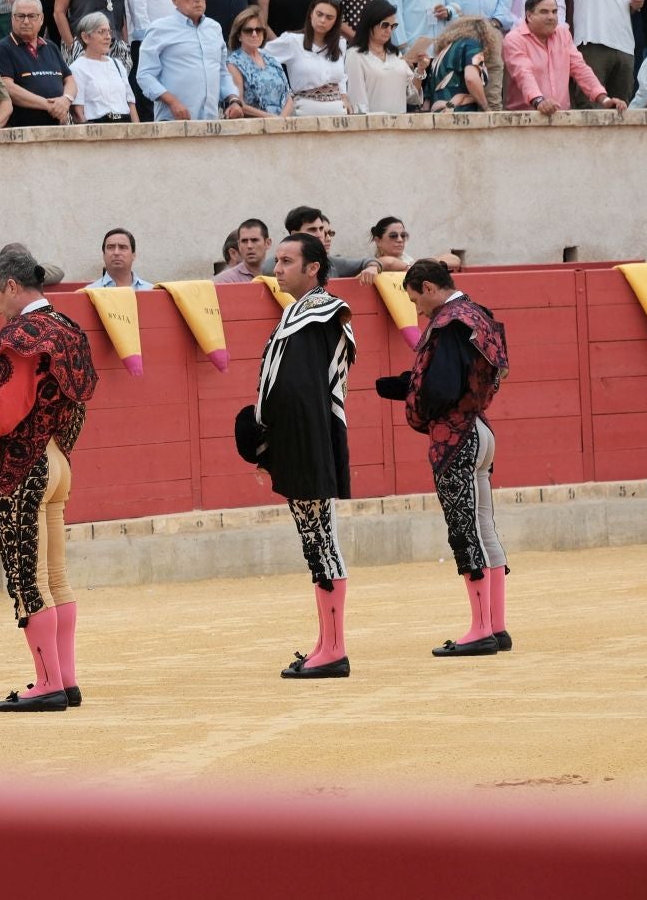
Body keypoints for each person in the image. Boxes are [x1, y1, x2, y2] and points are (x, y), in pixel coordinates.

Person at [0, 244, 97, 711]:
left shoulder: (22, 336)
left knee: (28, 579)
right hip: (57, 459)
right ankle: (65, 678)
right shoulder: (69, 328)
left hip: (23, 466)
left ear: (14, 286)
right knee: (56, 575)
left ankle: (47, 682)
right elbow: (81, 398)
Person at [231, 231, 358, 678]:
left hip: (308, 441)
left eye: (286, 261)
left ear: (313, 268)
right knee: (315, 542)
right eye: (278, 260)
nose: (276, 268)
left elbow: (299, 391)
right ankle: (326, 644)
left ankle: (335, 649)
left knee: (323, 542)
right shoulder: (303, 313)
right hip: (301, 440)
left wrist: (273, 439)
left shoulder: (319, 314)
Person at [373, 259, 513, 656]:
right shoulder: (476, 314)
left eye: (416, 299)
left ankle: (481, 630)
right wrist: (405, 385)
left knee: (465, 530)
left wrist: (413, 395)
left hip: (456, 436)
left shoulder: (449, 323)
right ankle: (496, 626)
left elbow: (443, 387)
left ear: (430, 287)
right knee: (484, 529)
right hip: (480, 428)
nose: (417, 309)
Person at [137, 0, 244, 120]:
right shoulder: (159, 29)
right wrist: (172, 102)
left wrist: (233, 100)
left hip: (211, 121)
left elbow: (221, 71)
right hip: (173, 120)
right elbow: (145, 75)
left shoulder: (214, 28)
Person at [503, 0, 624, 111]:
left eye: (554, 12)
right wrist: (538, 101)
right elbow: (523, 73)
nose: (551, 17)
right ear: (529, 16)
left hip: (561, 117)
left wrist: (605, 100)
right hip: (524, 118)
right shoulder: (514, 39)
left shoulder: (563, 34)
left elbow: (580, 69)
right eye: (544, 12)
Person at [0, 0, 74, 124]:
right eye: (20, 16)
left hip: (57, 124)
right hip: (22, 127)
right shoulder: (3, 48)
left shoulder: (51, 47)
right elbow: (6, 87)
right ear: (12, 18)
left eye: (31, 16)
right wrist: (48, 105)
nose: (26, 21)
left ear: (41, 19)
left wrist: (65, 100)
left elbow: (69, 79)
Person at [263, 0, 351, 114]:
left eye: (329, 17)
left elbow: (341, 77)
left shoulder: (340, 43)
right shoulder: (292, 41)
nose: (322, 20)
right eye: (319, 14)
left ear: (336, 21)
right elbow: (260, 57)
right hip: (304, 110)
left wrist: (344, 97)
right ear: (311, 14)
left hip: (337, 111)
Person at [345, 0, 413, 112]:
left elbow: (411, 96)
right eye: (384, 25)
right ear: (370, 23)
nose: (389, 30)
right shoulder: (355, 55)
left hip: (401, 121)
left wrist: (421, 69)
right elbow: (357, 101)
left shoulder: (396, 54)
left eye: (393, 26)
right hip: (373, 122)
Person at [227, 4, 293, 114]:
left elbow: (288, 97)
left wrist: (282, 119)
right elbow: (239, 103)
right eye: (248, 30)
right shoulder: (233, 63)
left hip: (282, 120)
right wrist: (271, 119)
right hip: (254, 122)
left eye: (259, 30)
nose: (254, 34)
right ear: (239, 35)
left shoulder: (272, 60)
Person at [215, 218, 274, 282]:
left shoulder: (278, 274)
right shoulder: (226, 280)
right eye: (244, 241)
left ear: (268, 243)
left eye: (254, 240)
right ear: (239, 245)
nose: (249, 246)